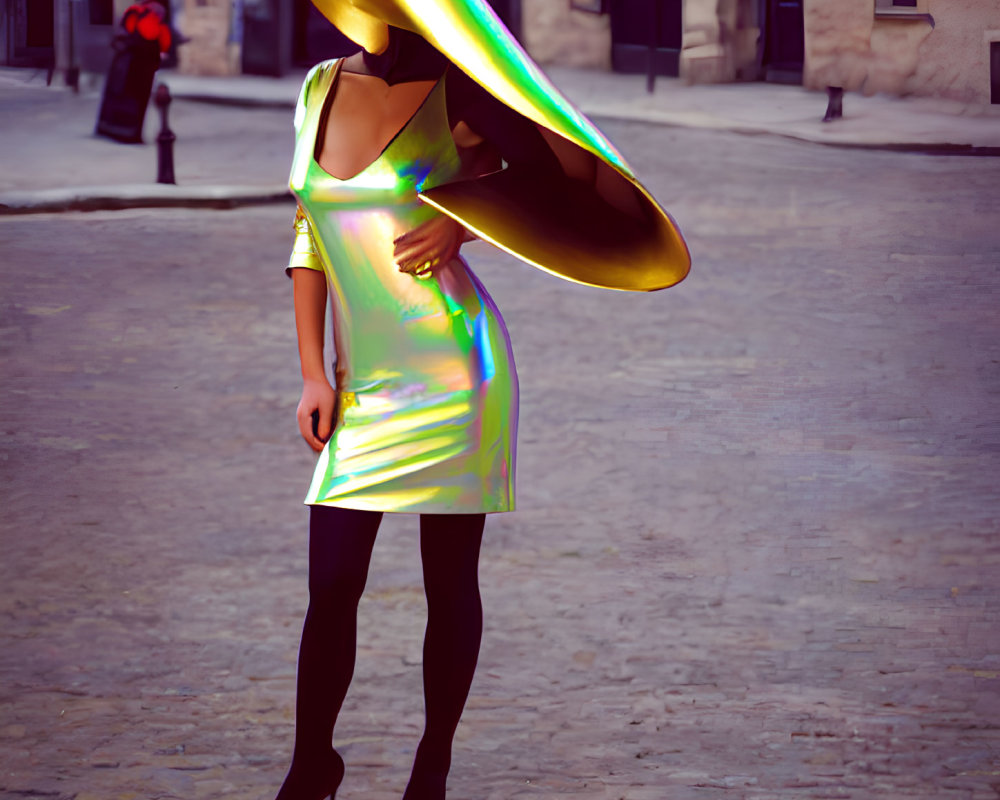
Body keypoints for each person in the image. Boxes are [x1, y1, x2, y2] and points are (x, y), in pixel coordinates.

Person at [276, 2, 691, 799]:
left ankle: (432, 765)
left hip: (455, 370)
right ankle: (312, 764)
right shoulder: (320, 86)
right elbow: (307, 231)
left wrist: (463, 225)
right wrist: (312, 373)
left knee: (449, 580)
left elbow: (557, 177)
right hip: (362, 384)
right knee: (330, 583)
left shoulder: (460, 95)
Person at [94, 0, 173, 143]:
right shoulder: (151, 20)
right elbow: (155, 39)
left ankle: (107, 128)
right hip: (140, 70)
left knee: (116, 98)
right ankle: (129, 135)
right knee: (135, 101)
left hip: (122, 65)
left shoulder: (133, 14)